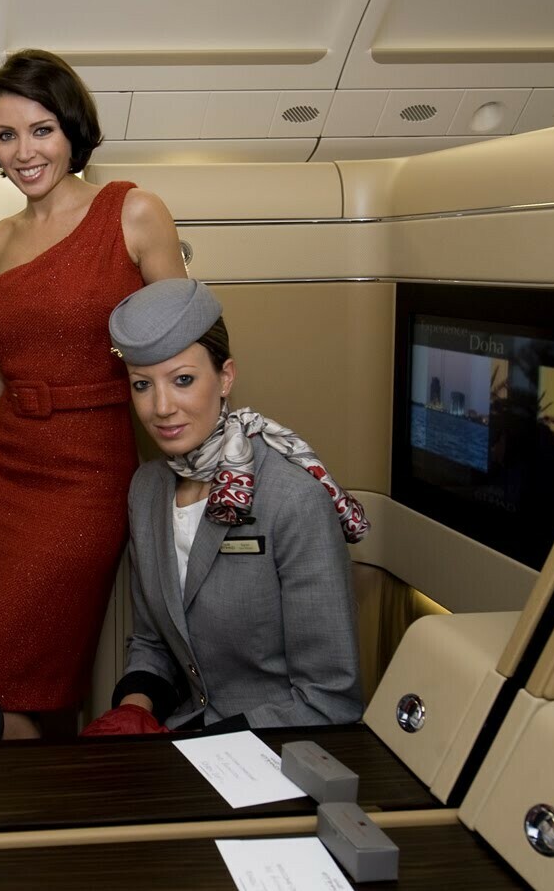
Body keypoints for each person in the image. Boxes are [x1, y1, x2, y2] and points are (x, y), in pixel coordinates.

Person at [0, 49, 187, 738]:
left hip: (87, 475)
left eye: (41, 130)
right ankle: (38, 795)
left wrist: (201, 471)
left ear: (72, 129)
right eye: (6, 135)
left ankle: (25, 798)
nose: (24, 152)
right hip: (5, 475)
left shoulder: (134, 213)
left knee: (8, 677)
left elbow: (183, 346)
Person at [84, 279, 365, 736]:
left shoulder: (292, 500)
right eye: (142, 385)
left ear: (226, 377)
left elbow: (330, 699)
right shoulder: (147, 491)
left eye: (183, 380)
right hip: (186, 735)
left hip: (274, 745)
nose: (161, 407)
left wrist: (200, 745)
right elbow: (154, 643)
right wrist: (134, 711)